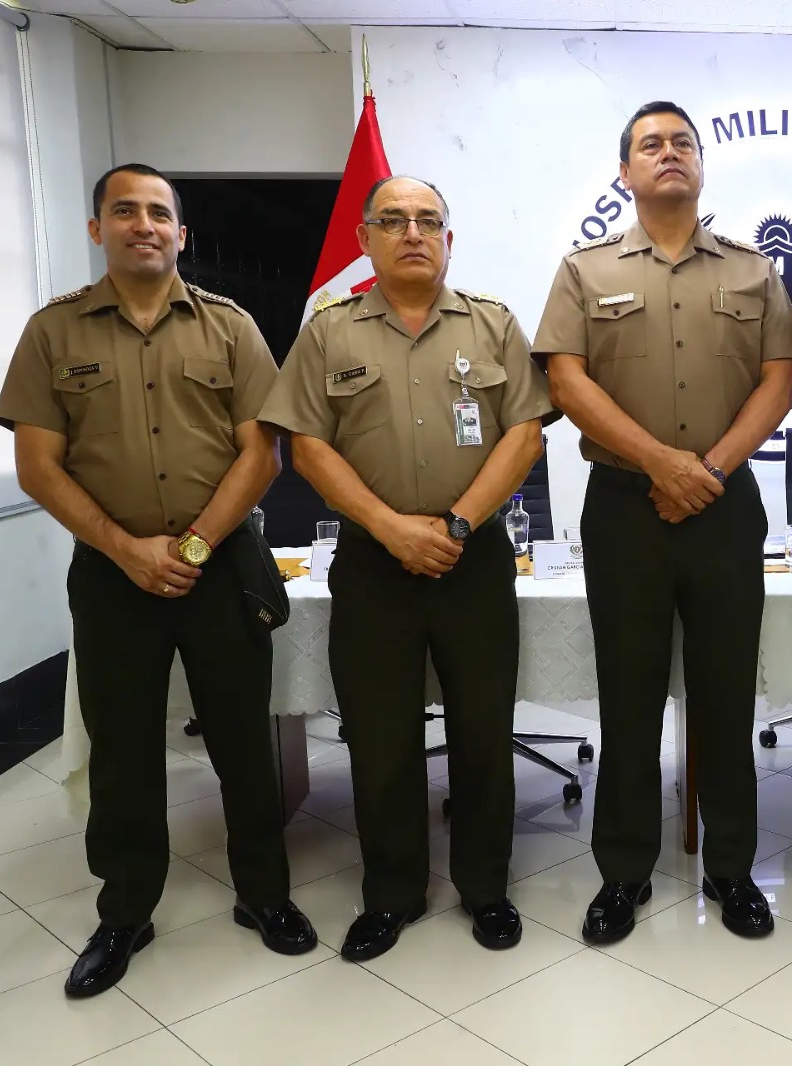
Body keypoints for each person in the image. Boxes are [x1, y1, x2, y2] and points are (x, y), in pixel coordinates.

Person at [0, 163, 315, 997]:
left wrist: (195, 547)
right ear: (96, 228)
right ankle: (126, 911)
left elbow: (262, 454)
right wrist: (127, 549)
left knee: (243, 743)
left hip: (223, 567)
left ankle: (264, 894)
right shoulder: (53, 332)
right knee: (123, 750)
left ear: (181, 233)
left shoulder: (230, 327)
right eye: (125, 211)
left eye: (159, 213)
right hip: (111, 573)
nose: (144, 224)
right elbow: (38, 466)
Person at [532, 101, 792, 944]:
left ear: (701, 165)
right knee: (629, 698)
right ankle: (623, 872)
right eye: (651, 144)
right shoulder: (584, 271)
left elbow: (778, 381)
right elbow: (567, 381)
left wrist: (708, 470)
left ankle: (733, 870)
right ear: (626, 172)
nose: (669, 152)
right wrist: (662, 464)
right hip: (626, 508)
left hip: (725, 505)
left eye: (683, 142)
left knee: (726, 697)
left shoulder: (753, 271)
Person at [259, 176, 555, 961]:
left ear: (448, 240)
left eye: (429, 221)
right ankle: (391, 894)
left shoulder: (492, 323)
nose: (413, 233)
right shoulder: (329, 331)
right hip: (373, 562)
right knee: (381, 737)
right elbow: (307, 446)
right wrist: (392, 529)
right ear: (365, 239)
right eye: (394, 220)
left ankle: (485, 888)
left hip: (473, 558)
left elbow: (525, 435)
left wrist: (454, 525)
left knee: (482, 731)